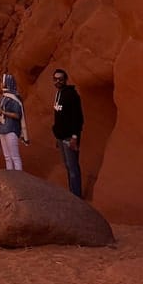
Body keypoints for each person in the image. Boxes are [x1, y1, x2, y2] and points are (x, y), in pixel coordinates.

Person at [51, 68, 84, 197]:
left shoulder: (71, 95)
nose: (58, 81)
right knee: (68, 166)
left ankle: (76, 196)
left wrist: (74, 137)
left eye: (60, 79)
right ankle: (73, 193)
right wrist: (57, 135)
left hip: (70, 137)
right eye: (55, 79)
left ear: (65, 80)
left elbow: (78, 118)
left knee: (73, 168)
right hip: (61, 136)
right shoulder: (58, 94)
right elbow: (59, 117)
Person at [0, 73, 29, 170]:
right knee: (7, 158)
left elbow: (17, 115)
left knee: (15, 157)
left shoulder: (14, 99)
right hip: (3, 129)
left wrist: (2, 112)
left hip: (11, 130)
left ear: (6, 83)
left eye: (2, 82)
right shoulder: (4, 98)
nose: (0, 84)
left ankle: (18, 180)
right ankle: (11, 181)